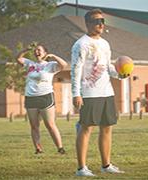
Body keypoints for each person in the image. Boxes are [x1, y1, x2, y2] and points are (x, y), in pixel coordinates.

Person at [71, 9, 127, 176]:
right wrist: (76, 93)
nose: (101, 24)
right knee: (86, 128)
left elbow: (108, 67)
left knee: (107, 128)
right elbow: (75, 69)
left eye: (102, 21)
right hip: (89, 93)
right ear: (88, 23)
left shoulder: (105, 43)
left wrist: (119, 74)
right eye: (97, 21)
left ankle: (106, 165)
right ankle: (81, 169)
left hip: (106, 92)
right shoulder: (81, 44)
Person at [17, 44, 68, 154]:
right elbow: (18, 59)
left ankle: (60, 148)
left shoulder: (50, 65)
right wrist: (26, 49)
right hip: (31, 97)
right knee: (34, 125)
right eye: (35, 51)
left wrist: (53, 56)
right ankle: (38, 149)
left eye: (39, 50)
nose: (37, 52)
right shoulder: (30, 64)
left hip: (45, 97)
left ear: (45, 53)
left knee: (50, 124)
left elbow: (64, 65)